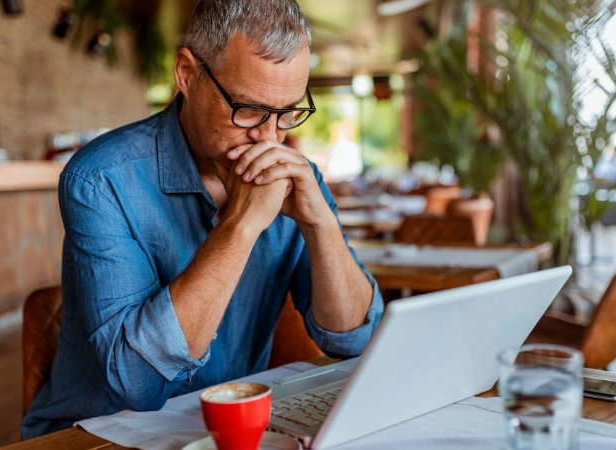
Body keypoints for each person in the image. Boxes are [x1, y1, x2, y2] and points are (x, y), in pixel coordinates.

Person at [22, 0, 383, 438]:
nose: (270, 138)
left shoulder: (293, 175)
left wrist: (321, 225)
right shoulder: (100, 179)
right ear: (187, 75)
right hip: (95, 436)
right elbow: (137, 383)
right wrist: (241, 225)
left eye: (289, 112)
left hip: (228, 430)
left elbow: (353, 340)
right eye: (247, 109)